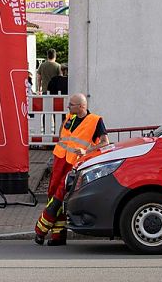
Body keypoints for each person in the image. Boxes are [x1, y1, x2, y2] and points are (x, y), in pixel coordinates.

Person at [34, 93, 108, 246]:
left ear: (81, 106)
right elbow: (64, 137)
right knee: (52, 194)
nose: (68, 106)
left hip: (74, 163)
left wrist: (86, 152)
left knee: (59, 197)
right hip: (60, 159)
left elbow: (105, 142)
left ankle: (40, 230)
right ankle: (58, 237)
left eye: (72, 104)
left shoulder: (95, 121)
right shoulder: (70, 117)